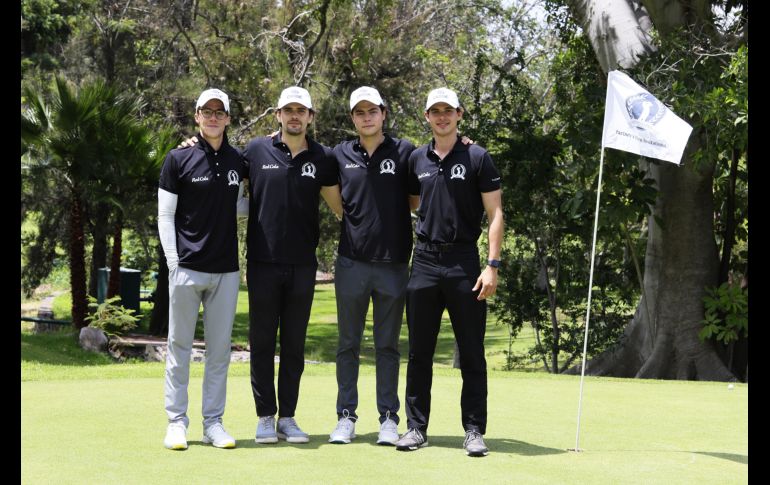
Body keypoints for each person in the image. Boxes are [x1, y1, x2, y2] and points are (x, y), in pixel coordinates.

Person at [394, 87, 504, 457]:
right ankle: (415, 428)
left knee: (471, 350)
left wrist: (492, 265)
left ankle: (474, 430)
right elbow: (413, 200)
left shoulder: (477, 156)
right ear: (426, 116)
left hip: (463, 262)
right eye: (434, 111)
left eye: (448, 110)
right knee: (419, 352)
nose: (441, 116)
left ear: (459, 114)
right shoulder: (415, 159)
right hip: (423, 261)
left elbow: (495, 214)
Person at [243, 86, 342, 444]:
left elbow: (341, 207)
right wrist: (193, 144)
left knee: (294, 345)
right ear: (278, 115)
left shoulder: (323, 157)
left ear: (311, 117)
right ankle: (265, 417)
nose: (295, 116)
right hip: (262, 263)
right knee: (263, 342)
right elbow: (219, 163)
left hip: (303, 265)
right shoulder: (256, 150)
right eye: (289, 110)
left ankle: (288, 417)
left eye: (302, 111)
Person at [158, 88, 247, 450]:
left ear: (227, 118)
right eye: (205, 111)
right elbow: (165, 214)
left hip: (225, 270)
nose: (212, 117)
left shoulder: (239, 160)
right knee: (179, 347)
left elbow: (243, 206)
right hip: (187, 269)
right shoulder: (178, 159)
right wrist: (173, 263)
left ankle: (214, 423)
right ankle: (176, 422)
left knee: (219, 350)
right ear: (197, 116)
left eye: (219, 112)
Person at [326, 87, 415, 445]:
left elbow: (416, 195)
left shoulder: (405, 151)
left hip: (393, 264)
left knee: (387, 346)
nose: (367, 117)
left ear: (383, 113)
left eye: (372, 111)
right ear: (353, 118)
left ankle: (389, 419)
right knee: (347, 344)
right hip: (352, 263)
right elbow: (336, 201)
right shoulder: (339, 154)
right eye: (359, 112)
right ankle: (346, 416)